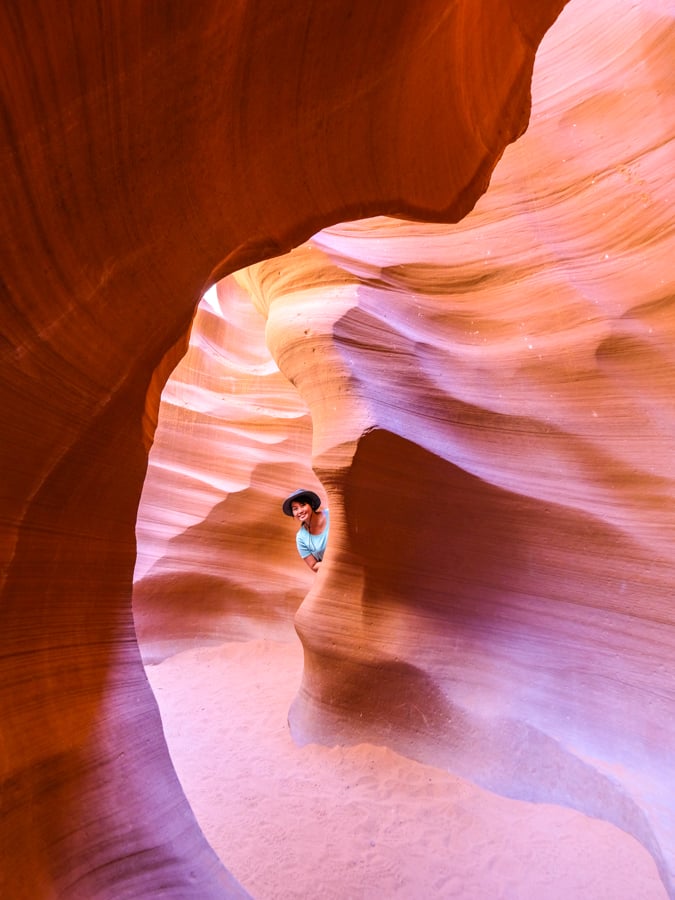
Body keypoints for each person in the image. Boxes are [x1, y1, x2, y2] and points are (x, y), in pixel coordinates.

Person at [282, 488, 329, 572]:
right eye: (295, 509)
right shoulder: (301, 537)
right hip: (333, 574)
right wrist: (333, 563)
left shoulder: (330, 514)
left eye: (303, 505)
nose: (300, 511)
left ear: (311, 504)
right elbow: (314, 566)